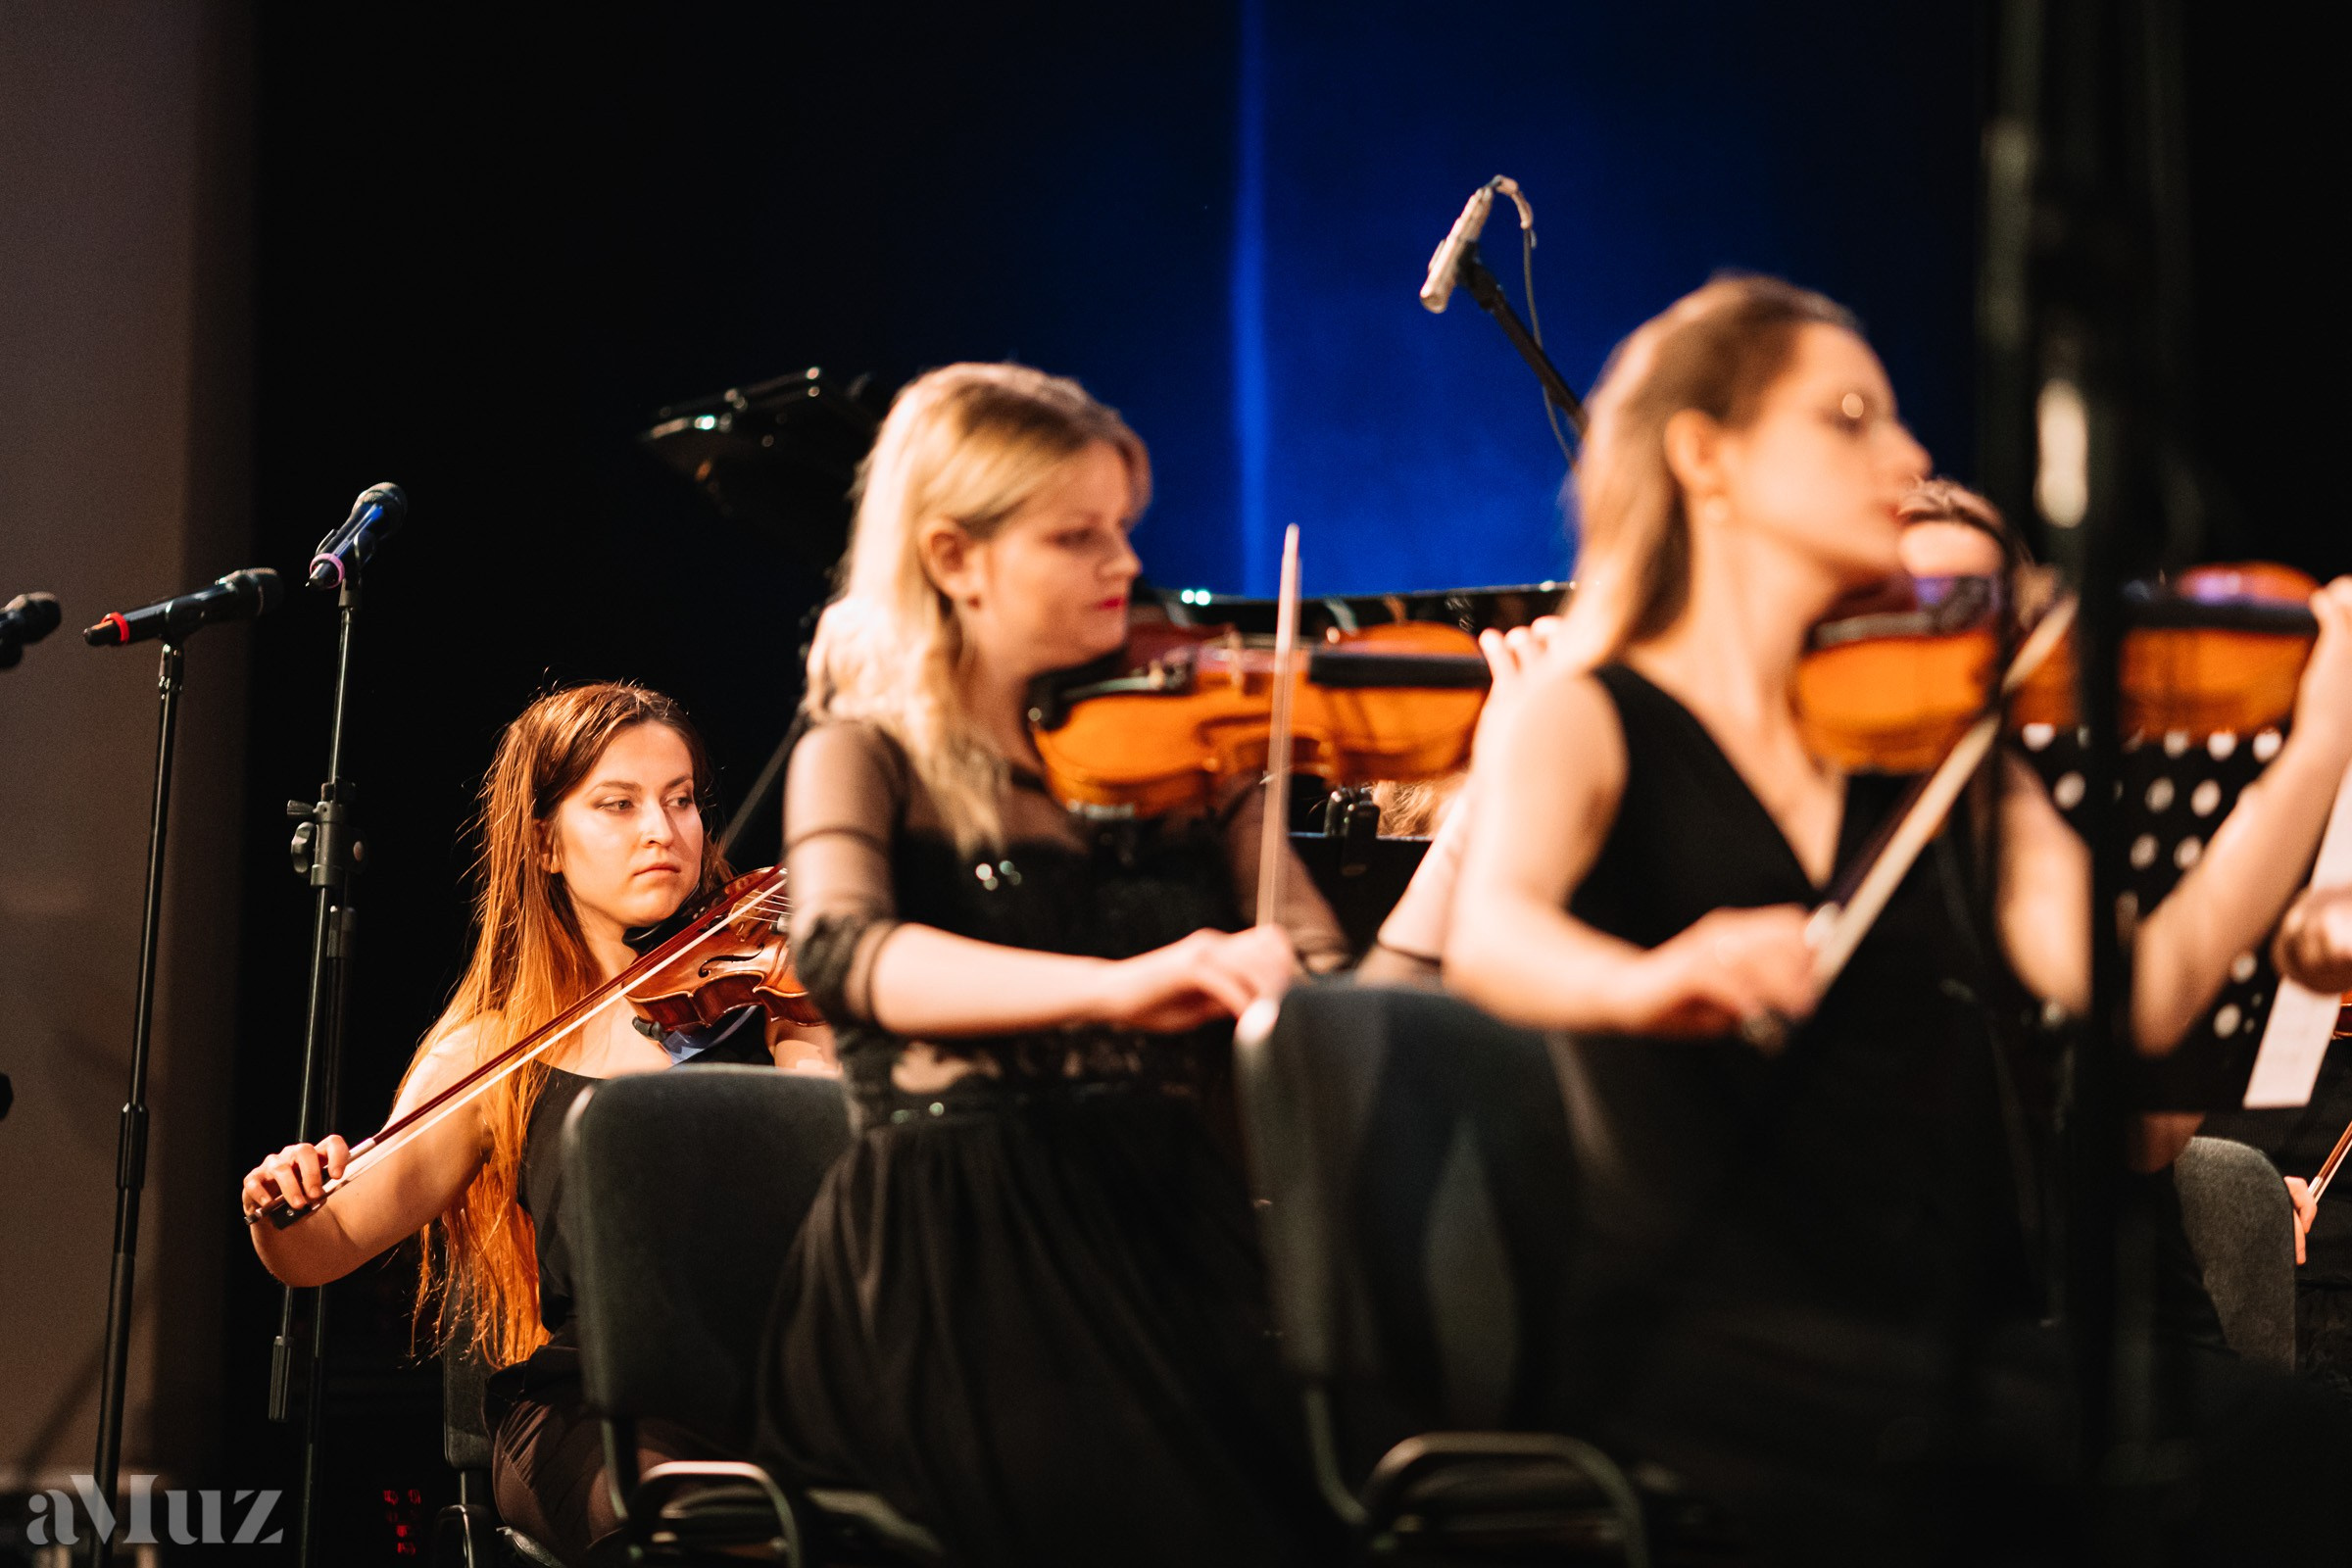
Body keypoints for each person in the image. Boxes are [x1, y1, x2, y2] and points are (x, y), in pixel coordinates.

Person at [1440, 274, 2352, 1561]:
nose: (1909, 454)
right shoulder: (1586, 708)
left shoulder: (1934, 740)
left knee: (2298, 1448)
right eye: (1849, 417)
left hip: (1940, 1335)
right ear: (1707, 456)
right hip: (1702, 1343)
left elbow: (2143, 989)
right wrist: (1647, 980)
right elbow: (1493, 936)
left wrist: (2320, 744)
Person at [752, 363, 1349, 1566]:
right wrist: (1122, 986)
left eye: (1121, 527)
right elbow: (848, 953)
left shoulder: (1190, 756)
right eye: (1076, 536)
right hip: (955, 1249)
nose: (1124, 562)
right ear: (954, 557)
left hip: (1169, 1219)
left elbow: (1328, 977)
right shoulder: (861, 753)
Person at [241, 682, 828, 1567]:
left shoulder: (770, 996)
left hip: (790, 1388)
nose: (663, 832)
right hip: (597, 1408)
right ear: (546, 842)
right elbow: (324, 1246)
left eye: (680, 801)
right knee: (701, 1529)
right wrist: (279, 1201)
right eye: (619, 805)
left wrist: (821, 1017)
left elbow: (845, 1170)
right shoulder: (493, 1050)